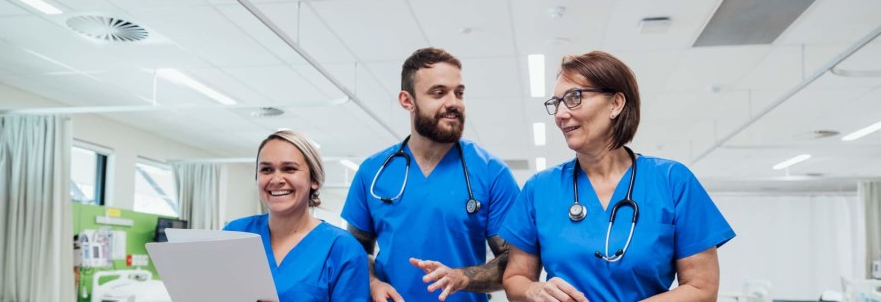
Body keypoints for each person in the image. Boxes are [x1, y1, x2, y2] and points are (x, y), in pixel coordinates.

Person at [500, 51, 736, 302]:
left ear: (616, 103)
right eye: (556, 103)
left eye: (573, 97)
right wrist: (533, 290)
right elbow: (516, 278)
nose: (560, 114)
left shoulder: (672, 181)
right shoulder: (540, 188)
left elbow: (702, 289)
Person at [342, 47, 521, 302]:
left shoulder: (491, 172)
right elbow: (354, 249)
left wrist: (463, 277)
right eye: (439, 93)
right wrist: (371, 282)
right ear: (408, 100)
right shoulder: (373, 172)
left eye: (459, 93)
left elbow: (516, 261)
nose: (453, 103)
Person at [224, 130, 370, 301]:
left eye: (289, 169)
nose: (276, 179)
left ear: (314, 180)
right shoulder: (234, 234)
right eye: (266, 169)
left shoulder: (343, 249)